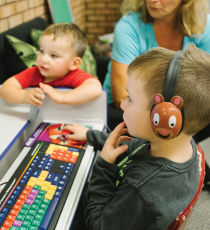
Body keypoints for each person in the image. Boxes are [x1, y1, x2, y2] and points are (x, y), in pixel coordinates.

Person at [64, 44, 210, 229]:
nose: (123, 105)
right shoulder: (180, 142)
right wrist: (90, 135)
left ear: (164, 120)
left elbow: (99, 225)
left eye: (130, 98)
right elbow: (137, 146)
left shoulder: (145, 191)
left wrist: (104, 167)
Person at [102, 0, 210, 131]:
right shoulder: (128, 26)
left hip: (176, 110)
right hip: (125, 109)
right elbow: (121, 97)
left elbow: (204, 86)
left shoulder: (203, 25)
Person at [0, 23, 102, 106]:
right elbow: (5, 89)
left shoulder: (74, 75)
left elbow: (95, 88)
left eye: (53, 55)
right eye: (42, 51)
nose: (43, 59)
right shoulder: (34, 72)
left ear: (74, 64)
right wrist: (24, 96)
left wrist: (63, 98)